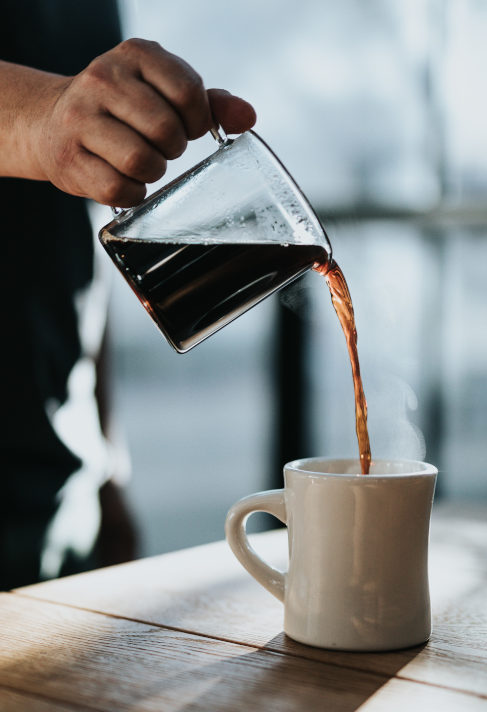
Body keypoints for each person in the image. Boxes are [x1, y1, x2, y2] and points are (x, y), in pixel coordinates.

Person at [0, 1, 256, 590]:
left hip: (63, 478)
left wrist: (110, 464)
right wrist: (38, 117)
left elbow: (75, 240)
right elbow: (57, 131)